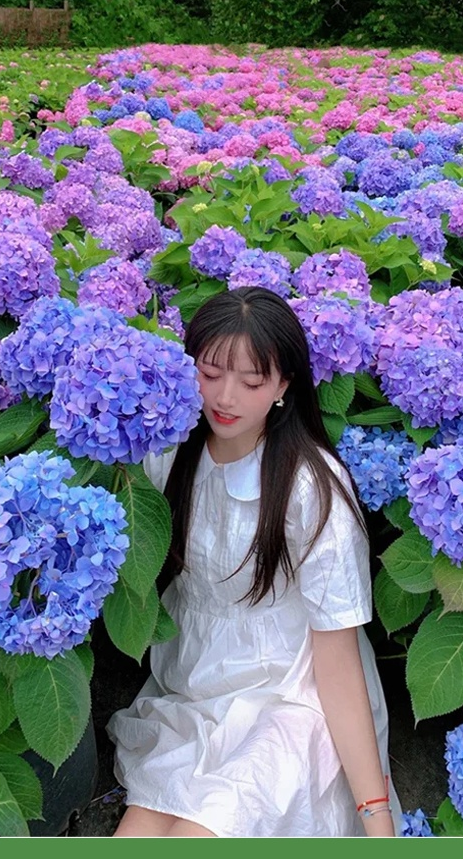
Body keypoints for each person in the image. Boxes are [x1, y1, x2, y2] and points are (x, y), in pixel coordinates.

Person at [107, 286, 401, 838]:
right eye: (210, 372)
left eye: (252, 381)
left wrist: (376, 815)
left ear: (284, 385)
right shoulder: (166, 451)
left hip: (294, 698)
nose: (225, 396)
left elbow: (337, 662)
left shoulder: (313, 490)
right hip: (198, 690)